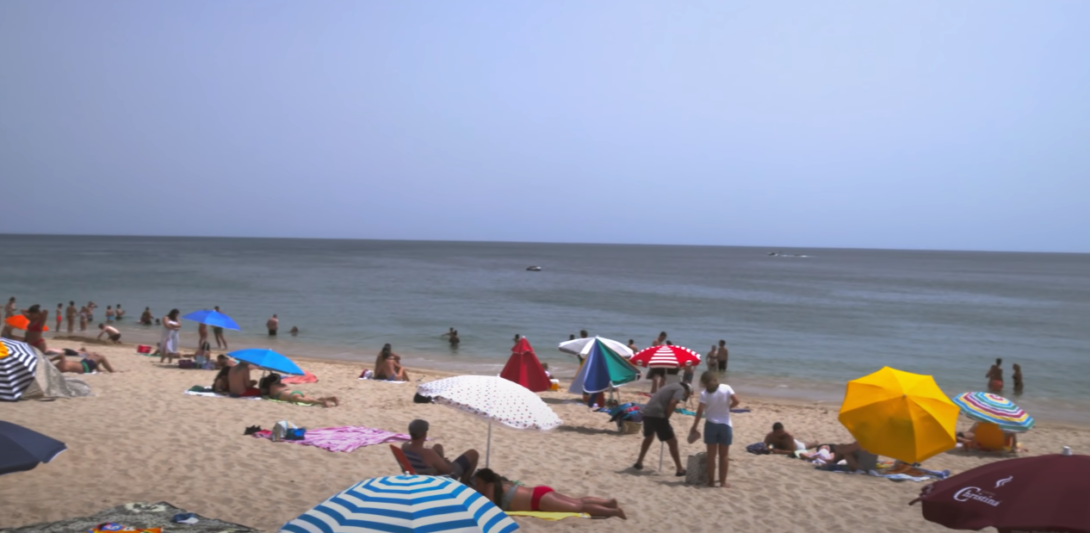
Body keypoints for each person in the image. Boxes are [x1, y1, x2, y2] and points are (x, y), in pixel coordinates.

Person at [471, 468, 626, 519]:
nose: (477, 487)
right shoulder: (501, 482)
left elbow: (490, 510)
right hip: (540, 492)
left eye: (478, 483)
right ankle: (608, 502)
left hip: (539, 501)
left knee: (579, 507)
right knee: (578, 501)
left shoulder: (490, 487)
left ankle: (613, 511)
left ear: (485, 481)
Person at [689, 371, 740, 488]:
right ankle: (723, 482)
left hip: (711, 425)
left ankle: (711, 481)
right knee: (724, 455)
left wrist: (694, 426)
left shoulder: (704, 394)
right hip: (725, 425)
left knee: (711, 456)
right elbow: (737, 401)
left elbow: (700, 411)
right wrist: (728, 408)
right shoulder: (726, 388)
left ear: (704, 383)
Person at [633, 381, 692, 476]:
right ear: (687, 391)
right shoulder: (681, 389)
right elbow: (673, 402)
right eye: (687, 395)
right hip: (657, 414)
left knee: (649, 437)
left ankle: (639, 462)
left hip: (647, 412)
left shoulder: (670, 385)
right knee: (673, 442)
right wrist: (667, 417)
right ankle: (680, 469)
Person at [401, 419, 479, 484]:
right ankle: (464, 483)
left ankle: (440, 462)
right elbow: (449, 470)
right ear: (424, 434)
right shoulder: (428, 454)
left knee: (438, 447)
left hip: (418, 476)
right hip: (441, 481)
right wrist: (444, 462)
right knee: (473, 453)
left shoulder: (404, 447)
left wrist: (439, 461)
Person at [259, 373, 339, 407]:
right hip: (296, 392)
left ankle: (321, 402)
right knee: (310, 398)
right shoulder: (283, 384)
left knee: (309, 401)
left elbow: (264, 393)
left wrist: (263, 383)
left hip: (291, 396)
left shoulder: (272, 390)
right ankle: (329, 398)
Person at [50, 348, 116, 374]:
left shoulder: (61, 368)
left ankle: (98, 369)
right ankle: (112, 371)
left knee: (93, 354)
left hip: (83, 363)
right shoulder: (62, 365)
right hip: (86, 367)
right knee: (102, 357)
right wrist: (51, 360)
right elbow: (61, 355)